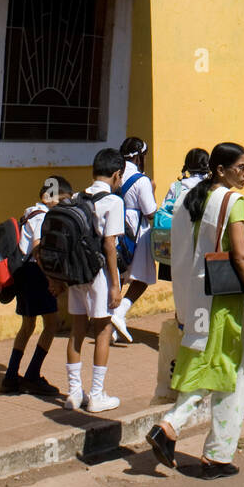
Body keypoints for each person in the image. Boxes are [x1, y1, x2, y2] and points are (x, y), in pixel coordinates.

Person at [145, 142, 244, 479]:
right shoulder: (232, 201)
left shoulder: (188, 199)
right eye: (241, 167)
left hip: (194, 299)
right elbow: (241, 256)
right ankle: (202, 446)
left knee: (213, 370)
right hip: (226, 301)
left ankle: (185, 435)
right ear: (221, 169)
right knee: (231, 374)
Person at [64, 149, 125, 413]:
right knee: (103, 330)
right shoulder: (113, 202)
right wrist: (115, 284)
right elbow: (109, 244)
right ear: (116, 174)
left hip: (76, 272)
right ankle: (97, 395)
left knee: (77, 330)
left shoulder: (77, 197)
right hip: (98, 274)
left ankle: (74, 392)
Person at [0, 176, 72, 397]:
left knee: (28, 325)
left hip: (24, 273)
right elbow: (38, 249)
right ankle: (31, 373)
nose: (63, 206)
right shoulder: (42, 217)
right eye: (61, 200)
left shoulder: (30, 212)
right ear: (47, 197)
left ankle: (11, 376)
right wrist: (52, 280)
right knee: (51, 324)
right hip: (36, 274)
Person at [111, 136, 158, 343]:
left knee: (118, 274)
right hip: (137, 229)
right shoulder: (141, 180)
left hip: (115, 223)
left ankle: (109, 323)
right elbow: (150, 212)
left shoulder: (115, 173)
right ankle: (120, 312)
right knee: (141, 278)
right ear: (140, 157)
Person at [154, 148, 212, 281]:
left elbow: (164, 209)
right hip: (202, 243)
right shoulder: (210, 187)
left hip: (178, 244)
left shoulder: (176, 186)